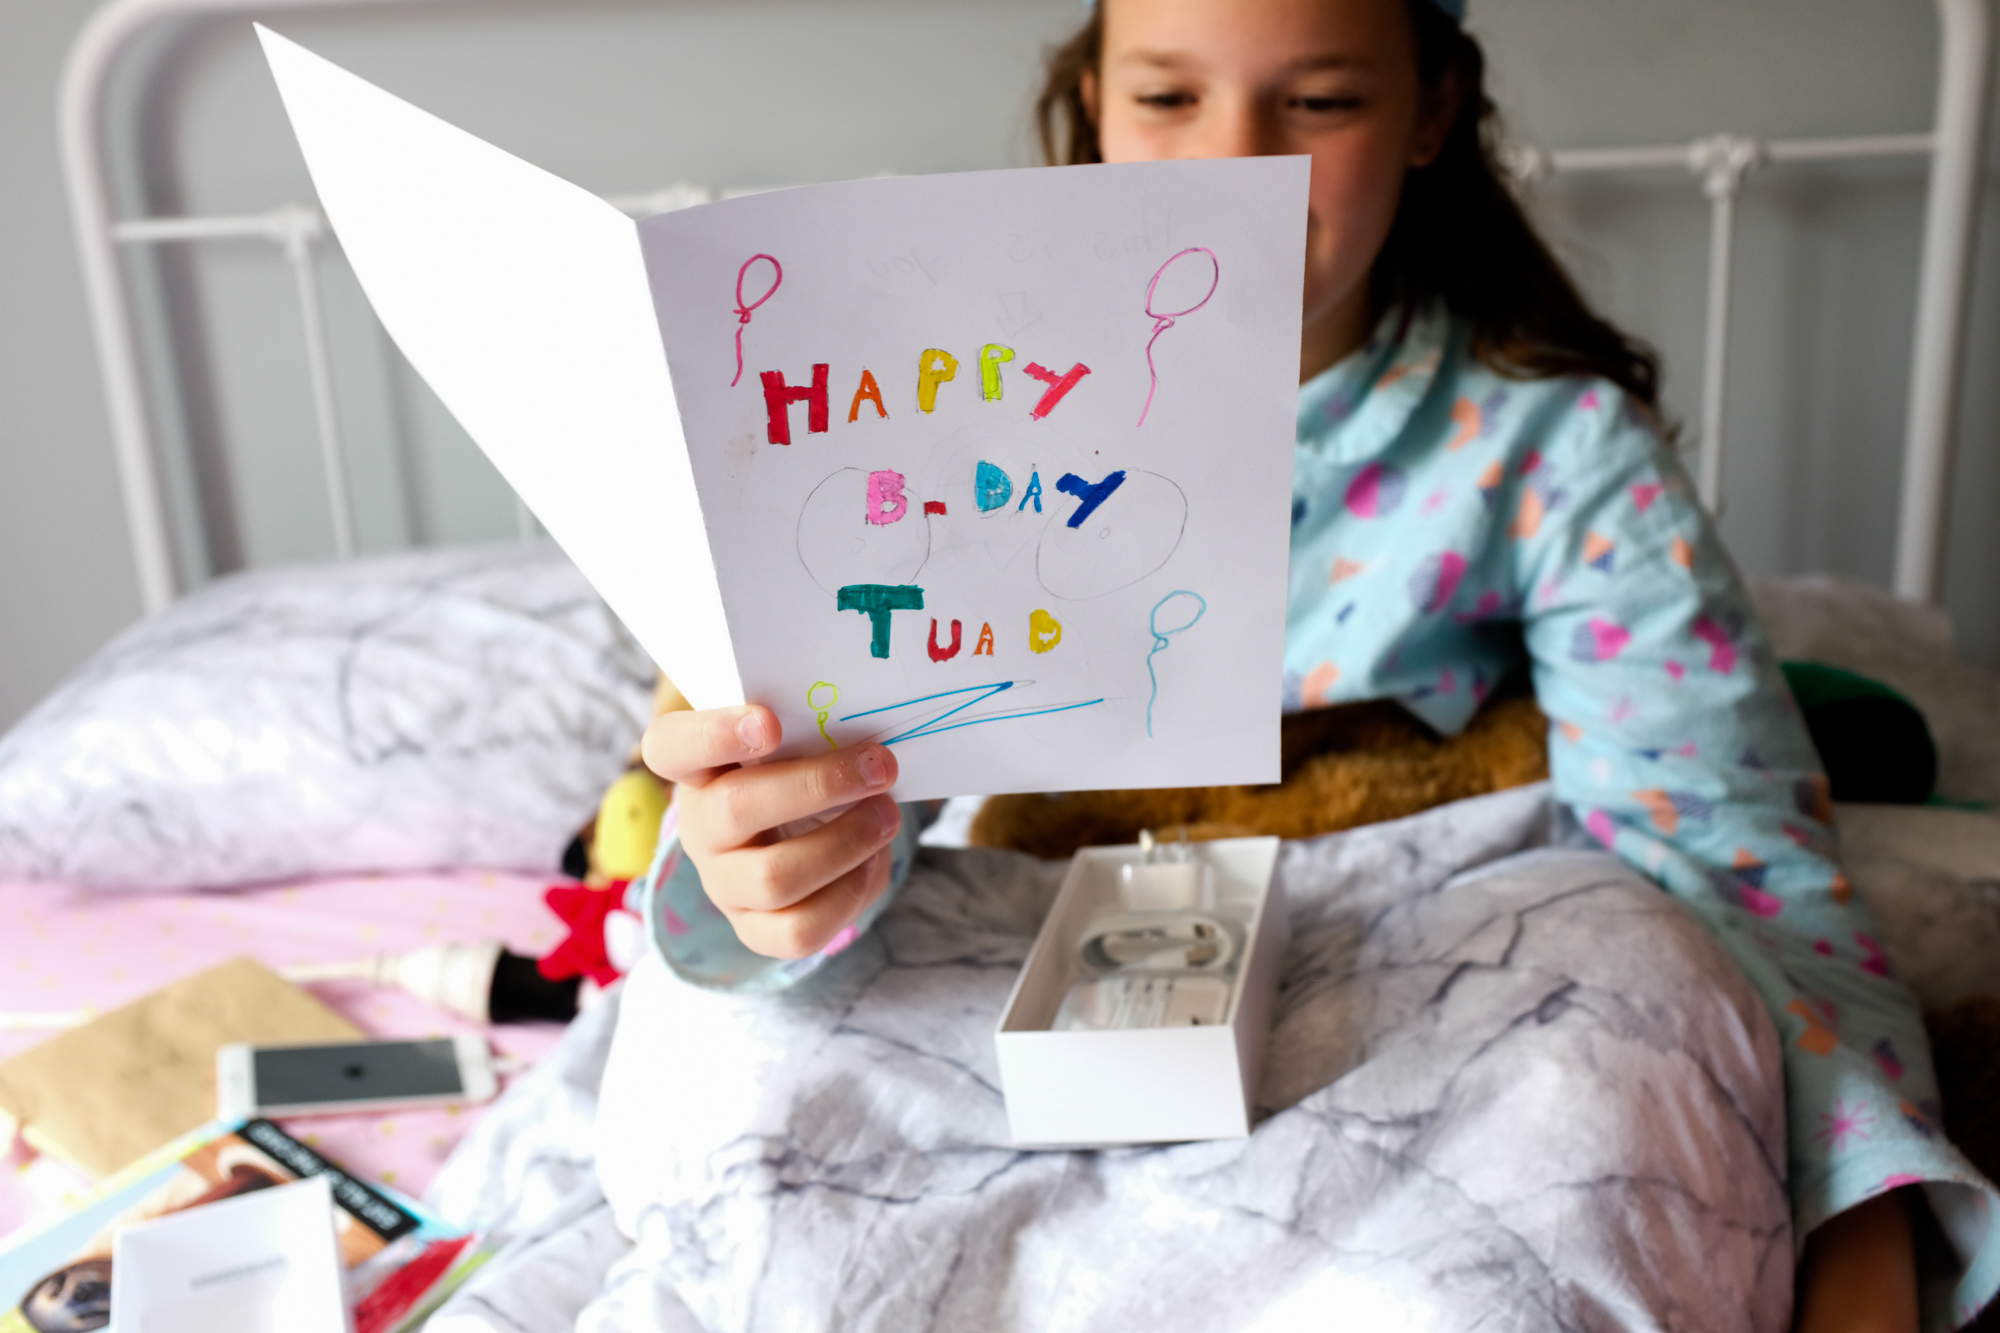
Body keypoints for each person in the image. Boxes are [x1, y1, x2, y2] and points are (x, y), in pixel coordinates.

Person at [635, 1, 1999, 1328]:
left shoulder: (1556, 449)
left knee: (1636, 996)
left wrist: (1861, 1236)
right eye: (1169, 95)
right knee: (736, 1065)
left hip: (1421, 982)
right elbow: (819, 837)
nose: (1239, 162)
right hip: (1044, 966)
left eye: (1321, 100)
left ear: (1431, 111)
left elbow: (1731, 858)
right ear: (1092, 106)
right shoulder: (926, 410)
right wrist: (769, 870)